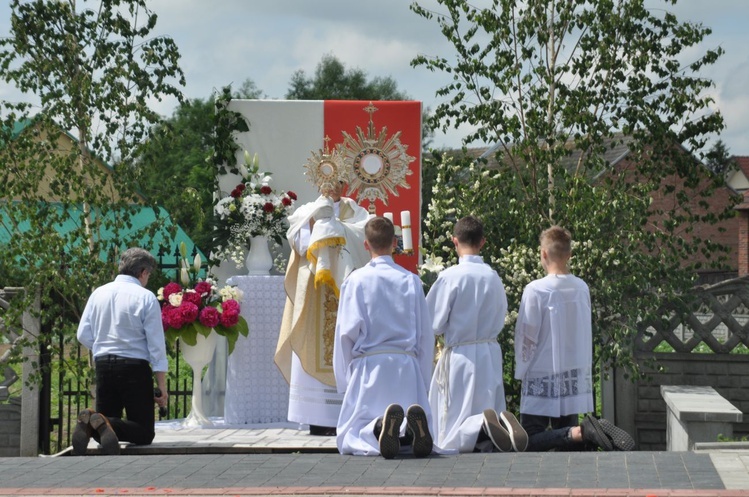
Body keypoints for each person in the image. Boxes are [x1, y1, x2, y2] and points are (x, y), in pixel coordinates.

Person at [514, 226, 634, 451]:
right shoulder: (581, 288)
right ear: (569, 255)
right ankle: (580, 435)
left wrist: (521, 370)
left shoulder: (535, 290)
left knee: (528, 440)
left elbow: (527, 338)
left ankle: (579, 432)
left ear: (543, 253)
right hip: (570, 375)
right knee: (569, 451)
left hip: (540, 372)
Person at [333, 216, 435, 459]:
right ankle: (409, 430)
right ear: (394, 243)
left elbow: (345, 334)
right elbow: (424, 335)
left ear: (366, 245)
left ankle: (380, 426)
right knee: (411, 416)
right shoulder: (411, 280)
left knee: (353, 432)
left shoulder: (355, 281)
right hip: (405, 367)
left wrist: (346, 379)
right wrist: (422, 377)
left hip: (370, 367)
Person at [275, 181, 370, 436]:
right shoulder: (308, 210)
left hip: (344, 290)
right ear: (319, 182)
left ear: (344, 182)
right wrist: (315, 226)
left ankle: (348, 415)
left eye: (338, 181)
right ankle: (316, 417)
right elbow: (301, 246)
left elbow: (364, 240)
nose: (333, 187)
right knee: (312, 344)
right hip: (314, 292)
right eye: (328, 182)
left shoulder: (358, 213)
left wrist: (336, 228)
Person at [427, 215, 528, 453]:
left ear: (454, 241)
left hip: (461, 354)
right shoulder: (493, 277)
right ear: (482, 242)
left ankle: (479, 425)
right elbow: (501, 312)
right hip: (489, 352)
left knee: (453, 418)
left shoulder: (450, 277)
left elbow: (432, 322)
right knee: (487, 402)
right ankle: (489, 430)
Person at [73, 247, 168, 455]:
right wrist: (161, 384)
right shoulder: (146, 297)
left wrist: (101, 347)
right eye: (148, 275)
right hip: (134, 367)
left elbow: (82, 334)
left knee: (104, 432)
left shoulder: (98, 293)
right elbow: (156, 345)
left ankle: (92, 420)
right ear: (143, 272)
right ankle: (94, 421)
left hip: (104, 364)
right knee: (143, 433)